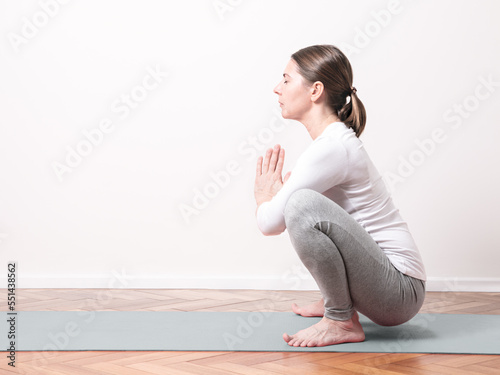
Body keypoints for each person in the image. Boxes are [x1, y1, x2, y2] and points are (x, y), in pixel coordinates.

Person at [254, 45, 426, 347]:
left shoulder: (332, 147)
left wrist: (264, 198)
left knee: (301, 204)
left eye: (286, 79)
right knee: (303, 201)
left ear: (315, 90)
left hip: (399, 292)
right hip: (390, 286)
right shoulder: (332, 144)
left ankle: (340, 320)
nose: (276, 88)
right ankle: (336, 302)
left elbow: (270, 223)